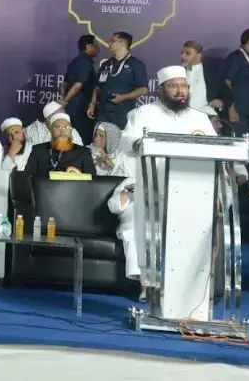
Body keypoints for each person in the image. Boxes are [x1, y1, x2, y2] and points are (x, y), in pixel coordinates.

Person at [108, 65, 216, 283]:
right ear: (161, 88)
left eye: (183, 86)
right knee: (137, 221)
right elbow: (127, 141)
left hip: (190, 188)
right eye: (174, 86)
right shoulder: (143, 113)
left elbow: (216, 148)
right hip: (152, 184)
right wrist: (139, 143)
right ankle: (146, 283)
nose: (180, 90)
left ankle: (189, 284)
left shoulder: (200, 118)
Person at [88, 31, 148, 129]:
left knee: (120, 138)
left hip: (123, 113)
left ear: (121, 43)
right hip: (103, 113)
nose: (109, 42)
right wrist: (93, 103)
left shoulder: (135, 65)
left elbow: (143, 89)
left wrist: (123, 97)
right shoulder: (106, 64)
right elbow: (98, 87)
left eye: (112, 40)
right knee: (100, 137)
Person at [22, 113, 95, 177]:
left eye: (66, 127)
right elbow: (28, 177)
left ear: (71, 131)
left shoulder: (83, 152)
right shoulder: (38, 150)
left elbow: (92, 179)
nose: (62, 131)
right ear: (51, 130)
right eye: (58, 127)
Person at [60, 35, 100, 144]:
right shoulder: (85, 63)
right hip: (81, 108)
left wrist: (64, 100)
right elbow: (78, 85)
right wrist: (65, 101)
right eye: (96, 45)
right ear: (88, 46)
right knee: (81, 139)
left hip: (72, 108)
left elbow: (64, 84)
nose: (98, 48)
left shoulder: (74, 61)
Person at [223, 29, 249, 140]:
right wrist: (231, 105)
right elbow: (226, 82)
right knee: (243, 142)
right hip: (241, 110)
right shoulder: (235, 57)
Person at [181, 40, 225, 122]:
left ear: (199, 56)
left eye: (187, 53)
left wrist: (221, 101)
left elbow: (226, 94)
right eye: (182, 53)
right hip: (184, 117)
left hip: (207, 116)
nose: (183, 56)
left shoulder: (213, 74)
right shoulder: (178, 74)